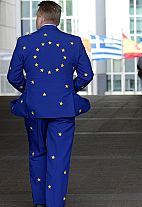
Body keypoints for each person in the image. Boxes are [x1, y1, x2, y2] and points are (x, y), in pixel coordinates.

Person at [7, 1, 93, 207]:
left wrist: (29, 91)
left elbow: (13, 75)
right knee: (59, 158)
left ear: (40, 17)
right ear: (58, 19)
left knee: (37, 152)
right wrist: (69, 89)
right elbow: (86, 74)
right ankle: (55, 204)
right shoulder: (73, 42)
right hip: (63, 108)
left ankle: (39, 203)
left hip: (34, 109)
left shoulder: (24, 42)